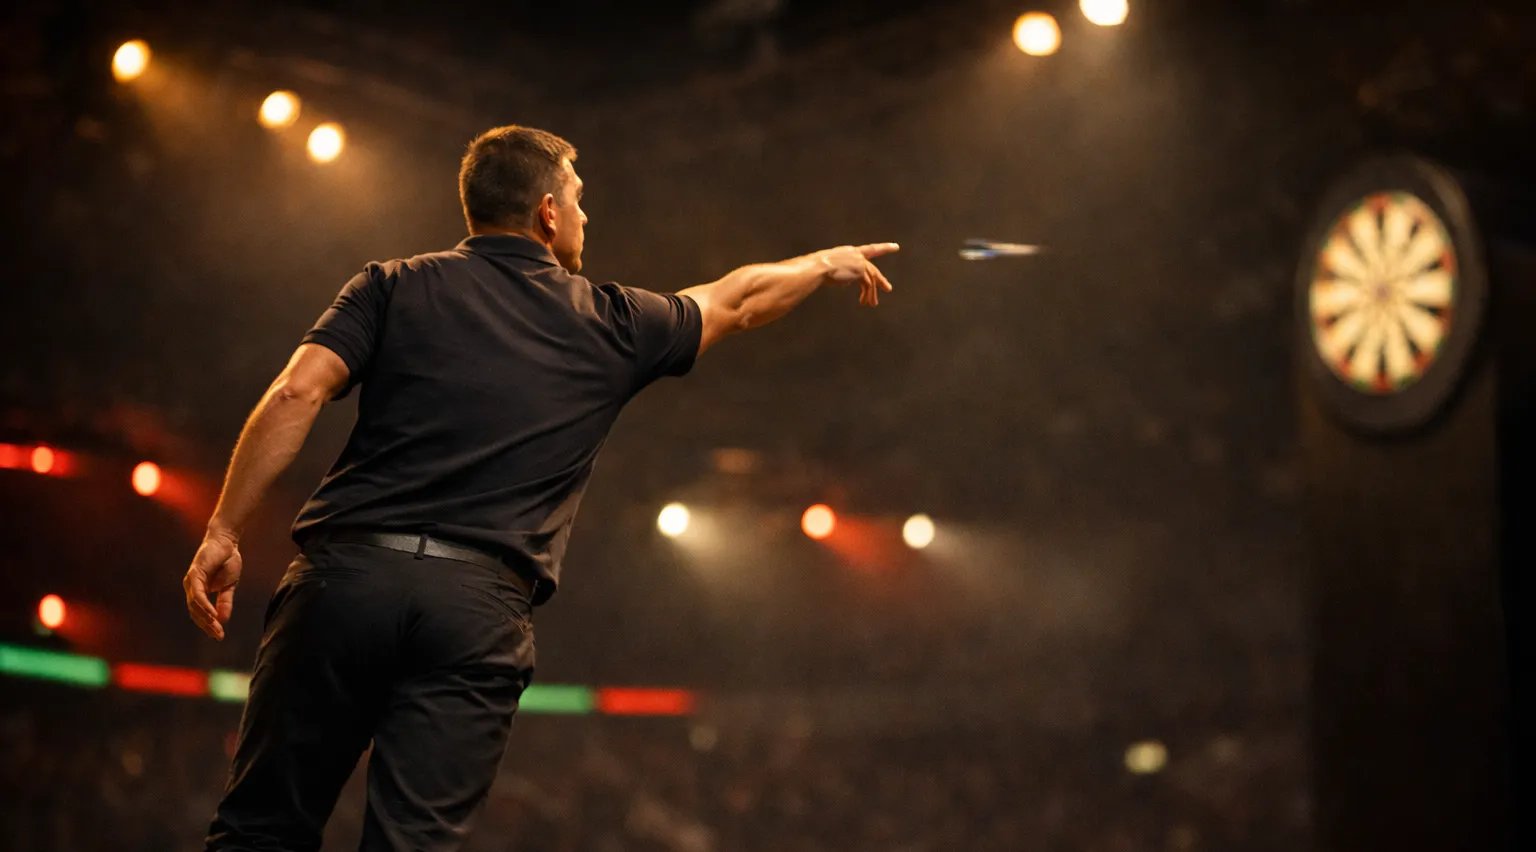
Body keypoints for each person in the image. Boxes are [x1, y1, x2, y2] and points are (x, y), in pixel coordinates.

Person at [181, 124, 898, 851]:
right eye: (581, 200)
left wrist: (223, 531)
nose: (589, 216)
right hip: (474, 610)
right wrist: (821, 262)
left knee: (258, 835)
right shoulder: (608, 322)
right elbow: (736, 301)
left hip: (344, 583)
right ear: (548, 212)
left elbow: (294, 395)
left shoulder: (390, 284)